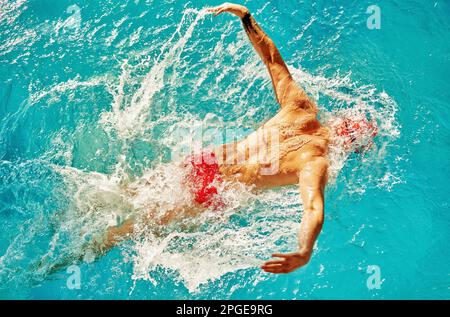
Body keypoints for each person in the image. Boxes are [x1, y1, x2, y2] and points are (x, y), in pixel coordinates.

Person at [98, 2, 376, 274]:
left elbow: (271, 59)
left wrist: (245, 16)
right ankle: (80, 254)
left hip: (204, 161)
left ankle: (84, 209)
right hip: (216, 191)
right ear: (347, 147)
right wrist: (304, 251)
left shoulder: (300, 107)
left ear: (338, 119)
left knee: (132, 191)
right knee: (130, 230)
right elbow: (313, 207)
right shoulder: (316, 162)